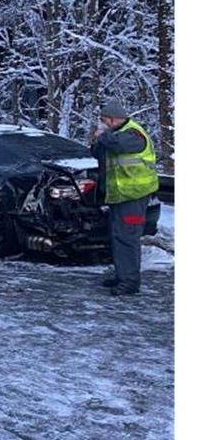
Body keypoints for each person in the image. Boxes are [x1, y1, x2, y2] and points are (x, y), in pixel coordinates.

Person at [90, 100, 159, 296]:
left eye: (104, 121)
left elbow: (117, 145)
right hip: (120, 196)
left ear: (112, 119)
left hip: (134, 195)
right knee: (118, 237)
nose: (102, 124)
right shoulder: (114, 134)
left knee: (127, 238)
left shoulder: (133, 134)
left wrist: (103, 136)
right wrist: (98, 140)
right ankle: (123, 275)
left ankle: (129, 282)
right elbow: (98, 152)